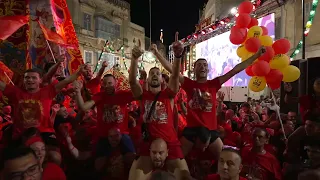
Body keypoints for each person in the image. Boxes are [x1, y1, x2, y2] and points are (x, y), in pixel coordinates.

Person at [152, 42, 265, 161]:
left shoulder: (214, 84)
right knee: (175, 161)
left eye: (205, 65)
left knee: (227, 160)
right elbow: (171, 69)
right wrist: (157, 53)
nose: (202, 67)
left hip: (210, 131)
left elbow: (235, 70)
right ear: (194, 69)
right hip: (192, 131)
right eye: (199, 65)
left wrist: (256, 55)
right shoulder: (189, 84)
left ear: (208, 69)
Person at [129, 35, 189, 180]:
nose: (155, 75)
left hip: (170, 143)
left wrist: (178, 56)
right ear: (148, 79)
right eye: (152, 74)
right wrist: (134, 59)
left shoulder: (168, 94)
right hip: (148, 142)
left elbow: (174, 77)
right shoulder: (143, 95)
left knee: (184, 177)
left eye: (157, 74)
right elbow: (132, 82)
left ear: (162, 79)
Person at [0, 66, 86, 165]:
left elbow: (66, 81)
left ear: (40, 80)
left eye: (33, 77)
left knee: (55, 157)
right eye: (27, 77)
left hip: (45, 133)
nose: (30, 80)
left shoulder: (47, 91)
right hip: (21, 134)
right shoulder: (15, 92)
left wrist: (79, 72)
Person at [73, 73, 135, 172]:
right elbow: (84, 107)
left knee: (131, 159)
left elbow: (139, 94)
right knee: (98, 165)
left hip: (122, 134)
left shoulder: (123, 94)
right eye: (105, 83)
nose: (107, 86)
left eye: (110, 83)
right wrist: (77, 92)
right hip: (104, 135)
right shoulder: (99, 96)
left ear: (116, 83)